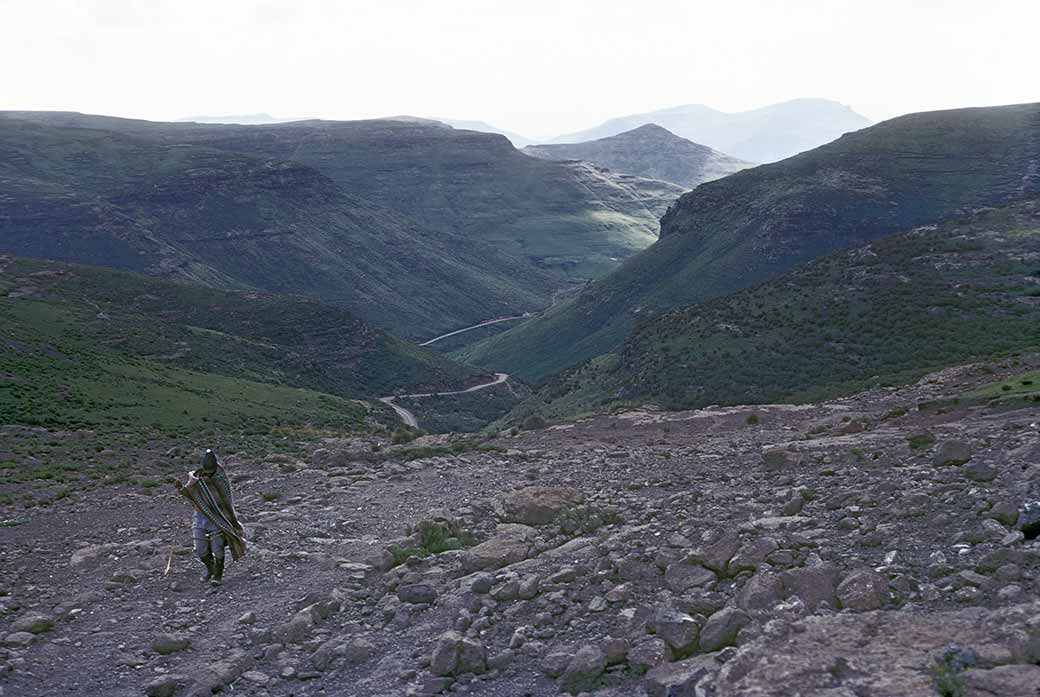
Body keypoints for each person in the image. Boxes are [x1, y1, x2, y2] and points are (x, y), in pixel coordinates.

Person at [175, 449, 246, 583]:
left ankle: (218, 575)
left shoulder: (220, 477)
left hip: (218, 517)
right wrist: (181, 490)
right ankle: (210, 569)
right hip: (200, 516)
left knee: (217, 548)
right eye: (207, 471)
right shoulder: (195, 478)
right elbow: (191, 494)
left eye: (211, 471)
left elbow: (226, 500)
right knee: (200, 549)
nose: (208, 474)